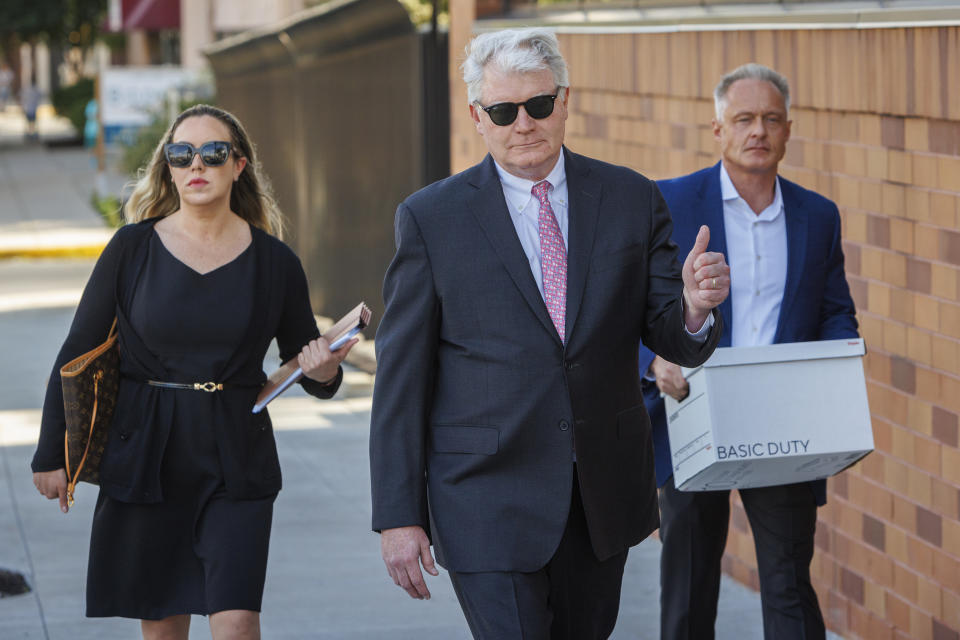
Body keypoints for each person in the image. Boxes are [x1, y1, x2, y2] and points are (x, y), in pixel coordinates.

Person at [369, 28, 729, 639]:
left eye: (538, 105)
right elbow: (402, 380)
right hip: (484, 496)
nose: (524, 124)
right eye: (504, 111)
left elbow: (671, 332)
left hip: (600, 495)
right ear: (479, 116)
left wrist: (695, 307)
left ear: (564, 100)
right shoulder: (431, 219)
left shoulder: (630, 198)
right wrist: (398, 516)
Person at [31, 104, 356, 640]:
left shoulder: (275, 263)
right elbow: (77, 349)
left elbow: (310, 366)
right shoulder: (131, 249)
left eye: (213, 153)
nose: (196, 164)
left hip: (237, 456)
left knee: (237, 622)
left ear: (239, 165)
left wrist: (323, 370)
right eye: (181, 154)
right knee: (163, 628)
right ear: (168, 167)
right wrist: (51, 450)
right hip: (146, 455)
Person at [639, 63, 859, 640]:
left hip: (783, 421)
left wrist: (839, 356)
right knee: (688, 586)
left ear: (788, 130)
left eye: (770, 119)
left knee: (788, 582)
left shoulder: (817, 215)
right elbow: (634, 307)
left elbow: (834, 305)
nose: (757, 130)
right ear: (717, 128)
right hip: (693, 413)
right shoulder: (671, 202)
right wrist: (654, 360)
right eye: (743, 118)